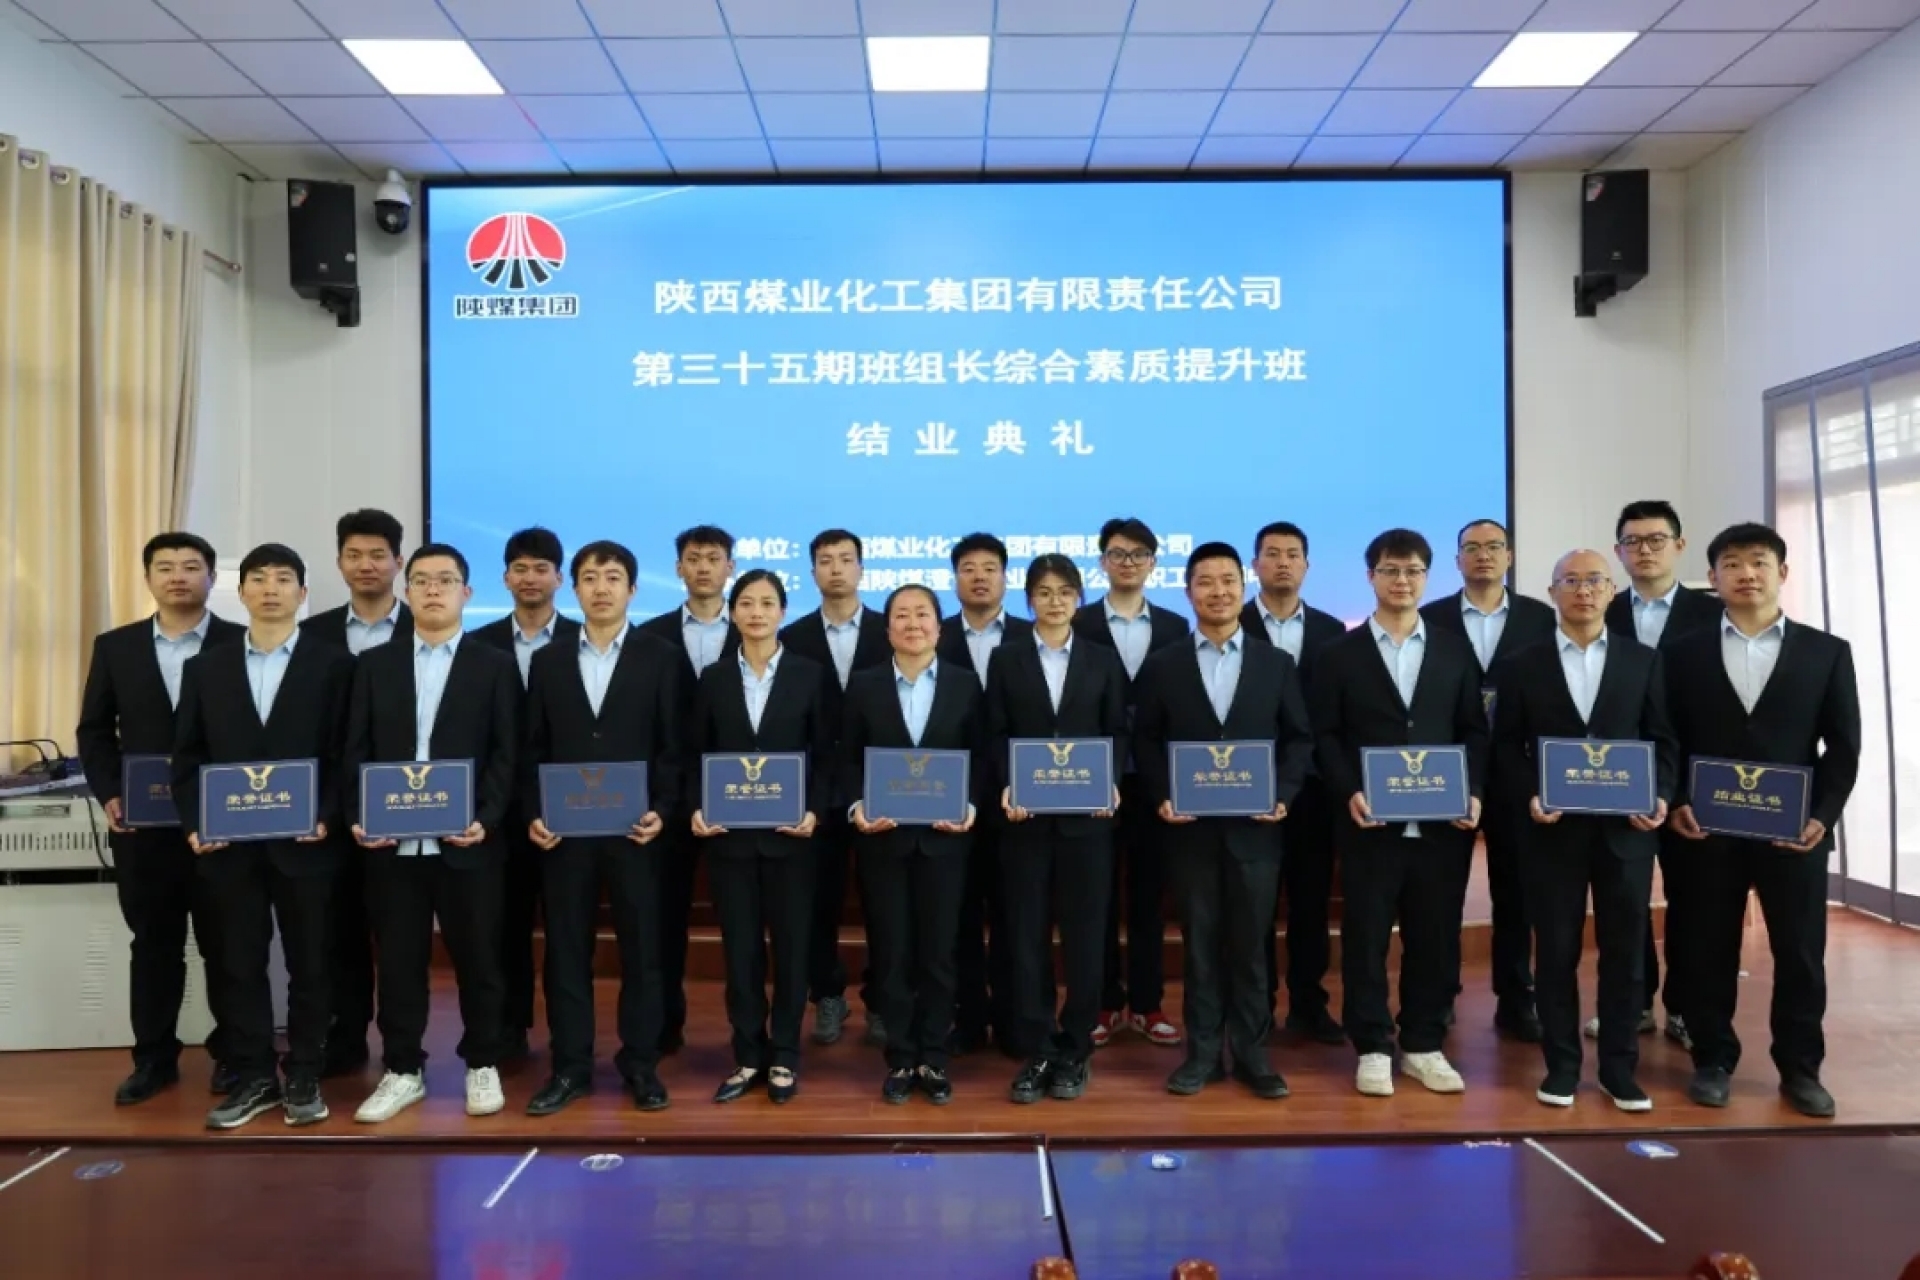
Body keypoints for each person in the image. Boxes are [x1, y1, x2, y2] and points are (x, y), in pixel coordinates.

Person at [1667, 522, 1861, 1119]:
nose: (1746, 573)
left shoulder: (1826, 652)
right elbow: (1667, 736)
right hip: (1706, 831)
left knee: (1800, 954)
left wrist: (1822, 816)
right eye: (1731, 563)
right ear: (1713, 577)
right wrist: (1677, 799)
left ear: (1782, 572)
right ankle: (1712, 1059)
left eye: (1758, 562)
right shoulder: (1682, 652)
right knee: (1706, 948)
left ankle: (1801, 1069)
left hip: (1793, 833)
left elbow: (1843, 747)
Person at [171, 543, 355, 1129]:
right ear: (242, 591)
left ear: (303, 593)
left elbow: (346, 753)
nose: (270, 588)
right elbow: (188, 757)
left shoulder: (336, 665)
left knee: (312, 963)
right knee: (237, 964)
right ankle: (253, 1075)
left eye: (283, 579)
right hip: (230, 848)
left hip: (308, 845)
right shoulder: (206, 667)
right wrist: (197, 823)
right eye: (258, 579)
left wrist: (326, 814)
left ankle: (304, 1071)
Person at [1493, 549, 1678, 1112]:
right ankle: (1562, 1067)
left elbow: (1664, 741)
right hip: (1553, 832)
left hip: (1626, 831)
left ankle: (1620, 1070)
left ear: (1611, 590)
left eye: (1594, 580)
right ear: (1552, 592)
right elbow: (1506, 746)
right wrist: (1530, 792)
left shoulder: (1642, 660)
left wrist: (1660, 795)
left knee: (1625, 953)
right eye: (1570, 581)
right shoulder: (1522, 664)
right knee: (1555, 951)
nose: (1583, 590)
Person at [343, 543, 520, 1123]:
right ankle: (402, 1068)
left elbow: (507, 753)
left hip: (469, 842)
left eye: (446, 580)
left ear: (467, 592)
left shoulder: (494, 664)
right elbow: (355, 750)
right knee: (398, 962)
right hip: (392, 845)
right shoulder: (375, 664)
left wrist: (486, 817)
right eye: (421, 580)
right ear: (407, 591)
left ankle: (482, 1062)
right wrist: (359, 814)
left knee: (479, 958)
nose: (433, 589)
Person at [1133, 542, 1313, 1099]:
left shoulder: (1274, 664)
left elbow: (1299, 739)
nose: (1218, 591)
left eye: (1228, 580)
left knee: (1252, 945)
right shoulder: (1163, 665)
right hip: (1189, 831)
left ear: (1243, 585)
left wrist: (1282, 794)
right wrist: (1162, 794)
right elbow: (1146, 739)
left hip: (1256, 830)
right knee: (1200, 946)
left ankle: (1254, 1055)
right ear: (1187, 592)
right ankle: (1203, 1055)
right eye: (1205, 582)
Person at [1314, 529, 1488, 1098]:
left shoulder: (1454, 650)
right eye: (1390, 570)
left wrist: (1474, 791)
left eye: (1413, 570)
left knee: (1434, 936)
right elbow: (1326, 734)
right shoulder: (1340, 654)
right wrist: (1348, 790)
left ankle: (1422, 1044)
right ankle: (1371, 1045)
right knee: (1365, 937)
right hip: (1369, 824)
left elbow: (1473, 730)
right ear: (1371, 577)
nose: (1401, 580)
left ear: (1427, 577)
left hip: (1442, 825)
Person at [76, 532, 245, 1105]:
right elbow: (94, 732)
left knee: (228, 944)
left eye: (191, 567)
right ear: (148, 577)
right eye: (165, 567)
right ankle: (153, 1059)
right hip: (144, 830)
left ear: (211, 578)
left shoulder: (240, 643)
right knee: (153, 945)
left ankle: (235, 1055)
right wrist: (108, 793)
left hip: (222, 826)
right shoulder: (116, 647)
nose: (178, 576)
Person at [523, 541, 683, 1116]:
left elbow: (674, 745)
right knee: (566, 952)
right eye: (589, 577)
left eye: (613, 577)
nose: (601, 588)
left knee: (643, 951)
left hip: (636, 832)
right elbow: (533, 747)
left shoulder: (661, 656)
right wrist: (534, 812)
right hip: (565, 835)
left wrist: (663, 807)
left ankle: (640, 1063)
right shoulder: (548, 660)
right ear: (574, 588)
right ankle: (571, 1067)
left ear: (632, 589)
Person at [986, 555, 1127, 1103]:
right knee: (1025, 937)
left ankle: (1075, 1046)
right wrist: (1008, 784)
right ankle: (1039, 1045)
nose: (1054, 601)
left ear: (1078, 599)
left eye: (1065, 591)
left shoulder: (1101, 659)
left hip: (1087, 824)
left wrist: (1109, 781)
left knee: (1086, 937)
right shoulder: (1006, 659)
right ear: (1028, 600)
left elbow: (1116, 731)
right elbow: (996, 732)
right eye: (1043, 592)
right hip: (1024, 823)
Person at [688, 570, 831, 1104]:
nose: (756, 613)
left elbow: (828, 755)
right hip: (729, 839)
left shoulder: (809, 675)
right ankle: (748, 1054)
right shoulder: (713, 678)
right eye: (746, 603)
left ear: (782, 612)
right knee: (741, 952)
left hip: (791, 837)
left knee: (791, 951)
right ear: (732, 612)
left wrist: (815, 810)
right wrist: (697, 807)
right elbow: (696, 752)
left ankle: (785, 1055)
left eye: (767, 603)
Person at [844, 584, 985, 1105]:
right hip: (884, 842)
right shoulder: (864, 685)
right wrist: (857, 807)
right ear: (887, 630)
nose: (912, 624)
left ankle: (934, 1056)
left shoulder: (965, 684)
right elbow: (847, 759)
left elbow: (981, 756)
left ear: (939, 628)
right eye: (901, 616)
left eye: (922, 614)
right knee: (892, 953)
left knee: (940, 955)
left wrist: (970, 805)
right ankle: (901, 1057)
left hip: (945, 842)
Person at [1420, 518, 1555, 1042]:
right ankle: (1440, 994)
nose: (1483, 555)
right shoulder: (1429, 618)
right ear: (1457, 560)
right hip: (1447, 774)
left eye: (1494, 546)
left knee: (1516, 891)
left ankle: (1516, 998)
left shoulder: (1541, 618)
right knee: (1441, 892)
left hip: (1519, 773)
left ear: (1509, 556)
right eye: (1471, 548)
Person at [1599, 499, 1723, 1051]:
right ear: (1618, 551)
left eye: (1656, 540)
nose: (1644, 550)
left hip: (1692, 785)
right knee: (1625, 903)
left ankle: (1685, 1009)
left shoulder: (1713, 614)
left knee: (1692, 902)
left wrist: (1684, 789)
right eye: (1632, 541)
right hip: (1616, 782)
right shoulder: (1601, 611)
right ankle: (1634, 1004)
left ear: (1679, 545)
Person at [302, 507, 412, 1080]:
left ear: (398, 560)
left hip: (400, 808)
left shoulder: (427, 626)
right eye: (354, 555)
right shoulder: (311, 634)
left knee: (398, 935)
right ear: (339, 562)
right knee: (337, 932)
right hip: (326, 808)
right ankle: (344, 1038)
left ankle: (402, 1049)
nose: (366, 565)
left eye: (377, 555)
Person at [1072, 517, 1189, 1050]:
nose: (1128, 563)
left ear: (1153, 564)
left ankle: (1146, 1004)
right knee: (1094, 896)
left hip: (1153, 780)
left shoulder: (1174, 627)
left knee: (1147, 895)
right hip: (1089, 779)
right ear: (1102, 561)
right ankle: (1101, 1002)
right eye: (1118, 554)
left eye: (1139, 554)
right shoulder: (1078, 623)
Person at [468, 526, 581, 1060]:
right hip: (496, 811)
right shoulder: (478, 644)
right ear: (505, 578)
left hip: (567, 810)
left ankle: (567, 1038)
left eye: (541, 568)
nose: (530, 578)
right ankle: (508, 1030)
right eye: (520, 569)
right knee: (502, 928)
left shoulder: (584, 639)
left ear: (559, 578)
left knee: (564, 930)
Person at [1239, 520, 1350, 1044]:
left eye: (1292, 554)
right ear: (1254, 564)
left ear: (1307, 565)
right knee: (1252, 905)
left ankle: (1309, 1003)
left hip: (1313, 788)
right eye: (1272, 553)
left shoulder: (1331, 630)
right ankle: (1256, 1007)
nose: (1282, 562)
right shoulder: (1232, 623)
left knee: (1310, 901)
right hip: (1247, 787)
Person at [778, 529, 890, 1048]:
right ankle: (826, 993)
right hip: (815, 788)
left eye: (846, 559)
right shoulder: (793, 636)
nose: (837, 569)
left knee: (882, 900)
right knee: (817, 900)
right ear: (813, 572)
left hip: (882, 786)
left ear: (862, 568)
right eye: (826, 561)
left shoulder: (892, 628)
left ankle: (883, 999)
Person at [637, 524, 742, 1056]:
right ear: (678, 568)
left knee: (744, 919)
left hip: (743, 795)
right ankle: (664, 1024)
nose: (703, 567)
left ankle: (750, 1035)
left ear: (730, 567)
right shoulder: (649, 637)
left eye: (714, 558)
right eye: (693, 558)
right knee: (663, 917)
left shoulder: (757, 626)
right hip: (669, 795)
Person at [938, 533, 1031, 1056]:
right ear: (955, 578)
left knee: (1015, 916)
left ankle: (1014, 1020)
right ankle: (968, 1018)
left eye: (989, 568)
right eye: (968, 568)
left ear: (1005, 577)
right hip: (947, 800)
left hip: (1017, 800)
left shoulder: (1029, 637)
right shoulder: (932, 634)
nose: (979, 577)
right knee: (960, 917)